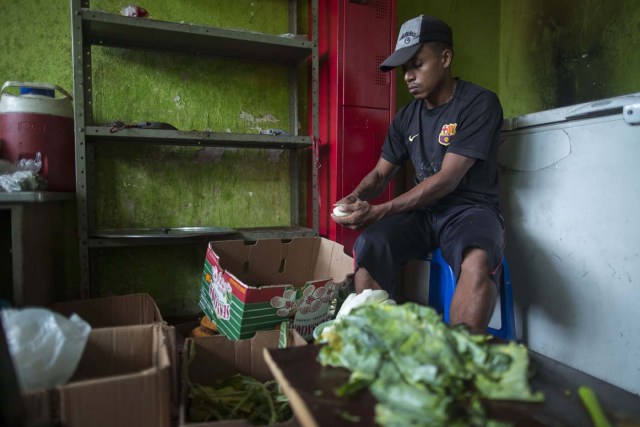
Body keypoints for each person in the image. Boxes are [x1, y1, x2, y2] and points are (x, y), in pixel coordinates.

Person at [331, 15, 505, 334]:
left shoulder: (479, 104)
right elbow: (380, 175)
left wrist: (382, 209)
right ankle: (380, 342)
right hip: (423, 214)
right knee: (371, 244)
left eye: (417, 64)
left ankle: (457, 359)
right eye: (404, 69)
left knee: (477, 256)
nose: (408, 76)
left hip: (470, 209)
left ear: (446, 58)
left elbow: (449, 178)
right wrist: (357, 196)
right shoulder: (406, 118)